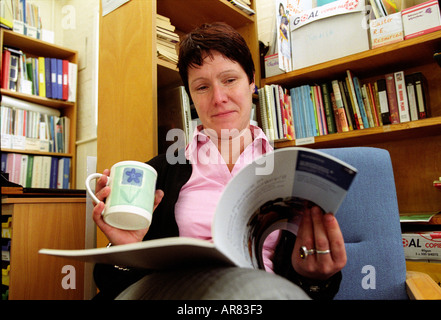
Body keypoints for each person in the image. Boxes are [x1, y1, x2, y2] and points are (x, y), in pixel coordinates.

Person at [92, 22, 346, 300]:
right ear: (191, 96)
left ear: (251, 83)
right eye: (202, 87)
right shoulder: (158, 173)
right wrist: (124, 252)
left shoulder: (294, 173)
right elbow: (114, 287)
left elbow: (318, 290)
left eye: (229, 80)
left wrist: (313, 277)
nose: (218, 98)